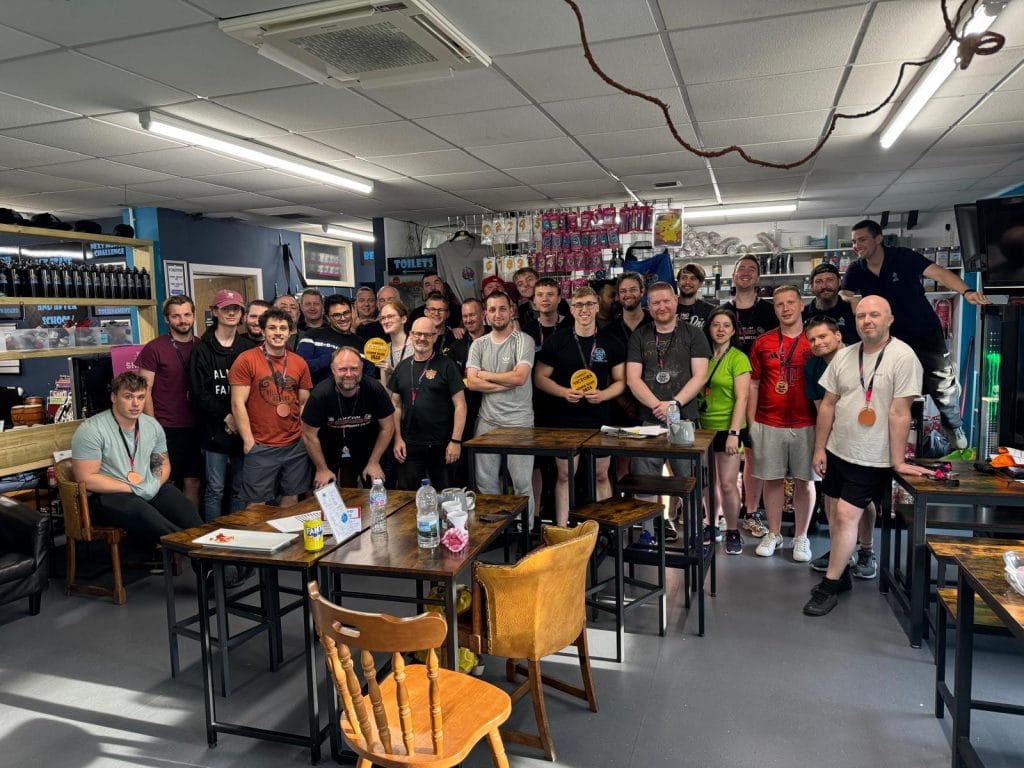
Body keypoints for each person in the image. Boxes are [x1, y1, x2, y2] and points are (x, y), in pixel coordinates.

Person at [804, 296, 927, 616]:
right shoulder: (845, 356)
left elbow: (900, 412)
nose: (867, 320)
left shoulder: (903, 357)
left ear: (889, 319)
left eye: (874, 315)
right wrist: (820, 448)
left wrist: (898, 461)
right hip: (838, 449)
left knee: (847, 515)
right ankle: (843, 570)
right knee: (833, 510)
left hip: (873, 455)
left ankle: (830, 585)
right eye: (861, 316)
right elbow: (828, 404)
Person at [841, 219, 990, 449]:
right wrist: (850, 299)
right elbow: (845, 293)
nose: (857, 246)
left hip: (924, 330)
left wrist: (967, 291)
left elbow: (939, 273)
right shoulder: (856, 269)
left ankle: (952, 424)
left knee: (941, 384)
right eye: (854, 242)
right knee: (887, 384)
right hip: (890, 337)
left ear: (878, 238)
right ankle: (884, 436)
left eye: (862, 240)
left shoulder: (903, 257)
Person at [71, 372, 201, 545]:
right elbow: (86, 479)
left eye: (140, 397)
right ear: (113, 397)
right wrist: (133, 488)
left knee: (186, 509)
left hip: (146, 486)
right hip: (109, 494)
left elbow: (161, 463)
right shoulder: (91, 429)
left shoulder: (152, 425)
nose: (136, 404)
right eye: (128, 397)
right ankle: (187, 548)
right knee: (144, 514)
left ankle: (206, 555)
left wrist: (154, 483)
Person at [626, 281, 711, 541]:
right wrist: (657, 405)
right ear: (648, 306)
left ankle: (696, 532)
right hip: (648, 420)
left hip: (684, 419)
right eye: (655, 302)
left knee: (690, 479)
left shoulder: (693, 334)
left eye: (666, 301)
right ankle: (648, 532)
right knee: (645, 481)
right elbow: (632, 378)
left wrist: (674, 403)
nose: (661, 306)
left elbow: (700, 376)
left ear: (675, 301)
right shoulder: (639, 335)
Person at [535, 286, 625, 526]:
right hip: (566, 419)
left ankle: (604, 529)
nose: (584, 310)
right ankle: (562, 529)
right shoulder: (557, 340)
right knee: (565, 476)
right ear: (572, 309)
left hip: (600, 418)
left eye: (589, 304)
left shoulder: (611, 341)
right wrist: (564, 392)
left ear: (597, 307)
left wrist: (604, 395)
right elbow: (540, 377)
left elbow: (621, 381)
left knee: (601, 474)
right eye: (578, 305)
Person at [748, 285, 817, 562]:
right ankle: (774, 533)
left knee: (805, 481)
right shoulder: (763, 342)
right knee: (772, 479)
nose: (785, 308)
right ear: (774, 309)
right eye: (779, 304)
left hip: (807, 422)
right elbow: (753, 384)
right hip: (769, 421)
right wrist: (751, 423)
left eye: (790, 303)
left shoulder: (815, 340)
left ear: (802, 305)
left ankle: (801, 537)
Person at [802, 315, 867, 574]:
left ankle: (867, 551)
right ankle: (839, 550)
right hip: (833, 439)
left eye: (823, 336)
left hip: (863, 437)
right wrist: (822, 447)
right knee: (831, 498)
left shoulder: (861, 358)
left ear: (838, 335)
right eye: (812, 339)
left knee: (862, 498)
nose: (817, 343)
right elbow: (822, 409)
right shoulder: (813, 367)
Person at [229, 308, 312, 507]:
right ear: (263, 331)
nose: (278, 332)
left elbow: (304, 402)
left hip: (294, 445)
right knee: (256, 504)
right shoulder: (246, 359)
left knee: (291, 498)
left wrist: (302, 435)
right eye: (272, 328)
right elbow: (237, 403)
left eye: (283, 328)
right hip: (261, 444)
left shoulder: (299, 362)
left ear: (290, 332)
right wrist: (248, 441)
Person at [467, 291, 536, 525]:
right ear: (485, 315)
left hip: (519, 422)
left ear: (511, 311)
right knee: (485, 482)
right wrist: (503, 383)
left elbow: (520, 378)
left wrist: (485, 375)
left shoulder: (523, 341)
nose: (498, 314)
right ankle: (496, 531)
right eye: (492, 309)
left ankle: (525, 532)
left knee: (522, 483)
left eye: (502, 308)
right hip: (487, 421)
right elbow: (472, 383)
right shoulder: (478, 344)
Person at [188, 289, 255, 521]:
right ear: (215, 311)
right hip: (213, 430)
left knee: (239, 488)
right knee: (215, 489)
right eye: (226, 308)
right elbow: (199, 392)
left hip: (243, 428)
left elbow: (255, 388)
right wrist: (227, 416)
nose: (232, 313)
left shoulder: (247, 347)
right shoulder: (201, 348)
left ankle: (237, 536)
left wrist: (239, 419)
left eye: (236, 308)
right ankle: (213, 539)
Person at [725, 254, 778, 538]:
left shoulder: (770, 312)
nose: (746, 272)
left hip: (762, 391)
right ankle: (721, 513)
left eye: (751, 269)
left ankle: (751, 512)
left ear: (758, 277)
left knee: (754, 454)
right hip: (727, 394)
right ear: (733, 275)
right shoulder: (722, 311)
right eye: (741, 268)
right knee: (726, 455)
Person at [136, 295, 200, 508]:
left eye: (187, 315)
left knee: (194, 481)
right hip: (165, 427)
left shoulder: (201, 346)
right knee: (164, 482)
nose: (183, 320)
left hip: (196, 427)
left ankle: (190, 526)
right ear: (166, 319)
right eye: (176, 316)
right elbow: (145, 390)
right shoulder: (154, 348)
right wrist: (152, 426)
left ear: (194, 316)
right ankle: (166, 527)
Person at [301, 347, 395, 489]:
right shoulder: (320, 394)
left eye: (354, 368)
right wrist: (321, 469)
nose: (349, 374)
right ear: (333, 369)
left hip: (367, 444)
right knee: (323, 489)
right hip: (328, 445)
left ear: (362, 367)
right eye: (343, 369)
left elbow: (387, 427)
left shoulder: (375, 389)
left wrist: (374, 462)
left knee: (377, 486)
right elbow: (309, 435)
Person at [390, 317, 466, 490]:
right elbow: (395, 405)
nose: (422, 338)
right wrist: (397, 439)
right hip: (409, 445)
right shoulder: (402, 367)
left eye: (427, 335)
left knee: (446, 495)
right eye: (418, 334)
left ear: (435, 337)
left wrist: (455, 441)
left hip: (443, 445)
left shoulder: (447, 365)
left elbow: (460, 405)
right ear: (411, 335)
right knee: (409, 496)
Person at [701, 307, 751, 555]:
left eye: (726, 325)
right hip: (702, 428)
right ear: (709, 328)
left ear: (733, 331)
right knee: (707, 482)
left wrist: (734, 433)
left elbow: (743, 398)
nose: (720, 330)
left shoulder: (738, 358)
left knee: (728, 484)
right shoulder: (701, 356)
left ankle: (732, 530)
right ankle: (711, 524)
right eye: (716, 324)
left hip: (728, 429)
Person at [296, 295, 362, 385]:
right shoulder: (313, 335)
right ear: (328, 318)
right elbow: (299, 367)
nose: (343, 318)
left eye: (346, 313)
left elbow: (368, 377)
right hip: (319, 392)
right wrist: (332, 357)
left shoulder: (361, 343)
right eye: (337, 315)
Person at [802, 263, 857, 344]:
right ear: (812, 286)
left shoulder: (853, 310)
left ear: (839, 282)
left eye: (830, 280)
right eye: (818, 281)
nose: (824, 286)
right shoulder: (803, 314)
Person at [375, 299, 414, 389]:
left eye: (390, 316)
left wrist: (393, 372)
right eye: (383, 318)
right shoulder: (383, 349)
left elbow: (419, 382)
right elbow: (385, 387)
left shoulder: (415, 346)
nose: (385, 321)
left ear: (403, 319)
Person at [676, 263, 714, 329]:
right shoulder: (667, 308)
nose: (687, 282)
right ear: (678, 282)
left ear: (700, 284)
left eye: (693, 278)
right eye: (684, 278)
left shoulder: (710, 311)